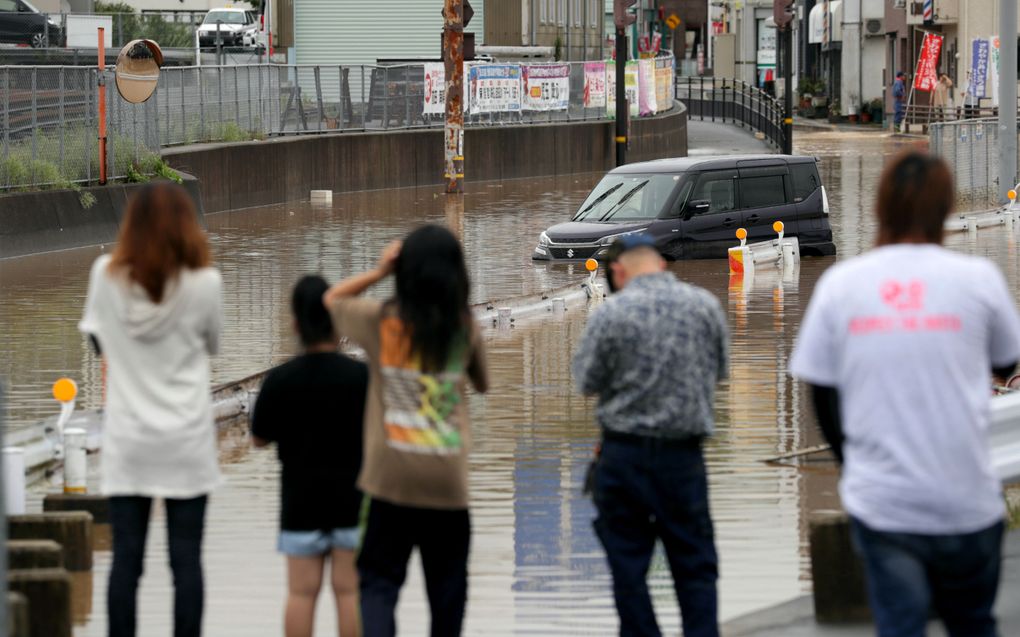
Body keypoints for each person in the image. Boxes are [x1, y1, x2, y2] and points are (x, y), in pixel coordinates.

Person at [790, 151, 1020, 637]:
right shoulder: (978, 280)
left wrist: (852, 462)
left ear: (880, 207)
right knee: (974, 624)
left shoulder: (841, 285)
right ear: (945, 208)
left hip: (884, 503)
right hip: (968, 502)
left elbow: (821, 392)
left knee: (900, 625)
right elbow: (1006, 362)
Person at [323, 225, 489, 637]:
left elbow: (331, 301)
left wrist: (380, 272)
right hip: (447, 485)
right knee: (447, 594)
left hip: (389, 482)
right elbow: (483, 383)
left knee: (378, 585)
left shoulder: (381, 321)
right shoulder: (464, 327)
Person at [79, 182, 223, 637]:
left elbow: (95, 339)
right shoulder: (206, 283)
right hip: (187, 443)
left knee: (127, 561)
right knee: (186, 562)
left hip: (129, 442)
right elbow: (213, 343)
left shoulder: (105, 274)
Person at [573, 234, 728, 637]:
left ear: (619, 271)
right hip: (684, 459)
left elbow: (586, 380)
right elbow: (719, 371)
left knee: (628, 568)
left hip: (624, 458)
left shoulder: (609, 316)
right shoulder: (705, 307)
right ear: (660, 264)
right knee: (695, 567)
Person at [251, 275, 368, 637]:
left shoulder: (280, 380)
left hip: (300, 503)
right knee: (349, 592)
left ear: (295, 324)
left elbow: (258, 438)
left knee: (301, 593)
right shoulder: (361, 377)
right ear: (337, 323)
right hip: (352, 501)